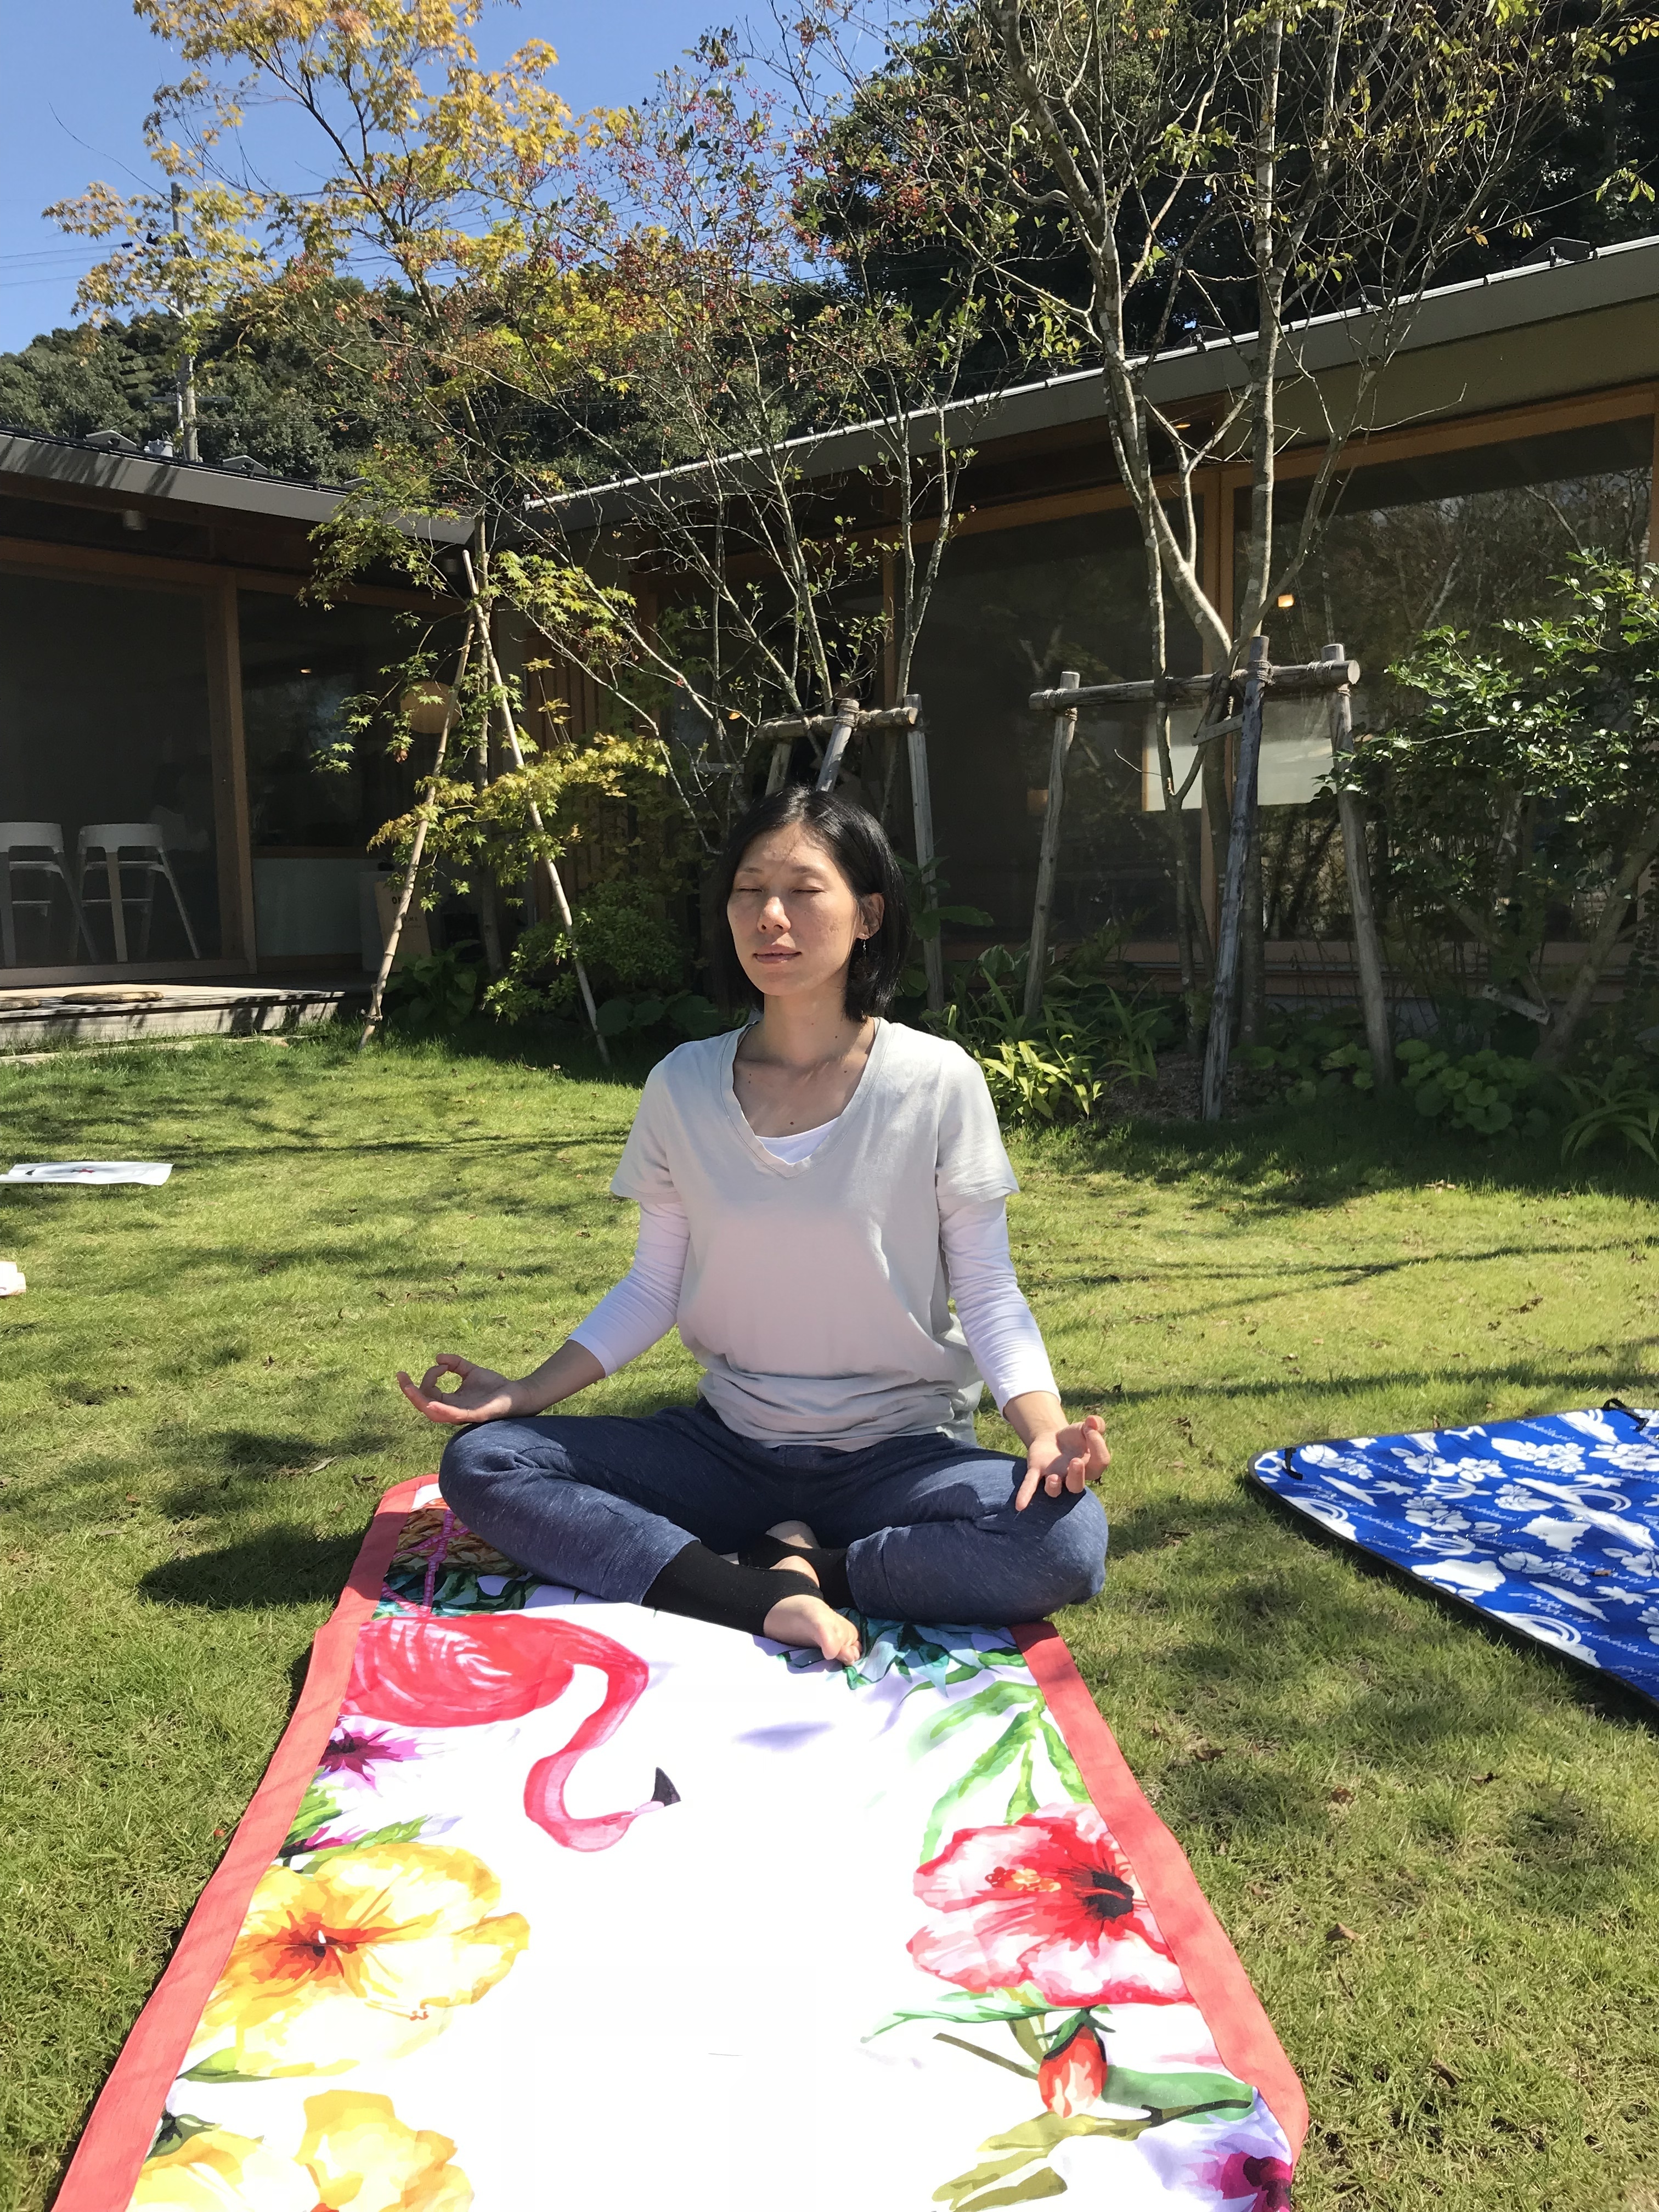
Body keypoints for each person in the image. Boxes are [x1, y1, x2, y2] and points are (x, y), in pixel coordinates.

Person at [398, 786, 1109, 1666]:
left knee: (1064, 1540)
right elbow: (654, 1284)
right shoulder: (682, 1084)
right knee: (485, 1463)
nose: (770, 915)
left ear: (868, 915)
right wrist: (528, 1395)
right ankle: (752, 1597)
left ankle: (812, 1567)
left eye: (804, 890)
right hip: (726, 1449)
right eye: (748, 890)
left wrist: (1042, 1427)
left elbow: (989, 1289)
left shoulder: (936, 1081)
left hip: (899, 1456)